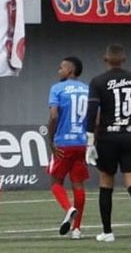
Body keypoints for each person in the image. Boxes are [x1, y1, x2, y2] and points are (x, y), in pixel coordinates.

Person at [85, 44, 131, 243]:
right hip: (130, 134)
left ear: (105, 59)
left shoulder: (97, 81)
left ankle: (107, 232)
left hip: (108, 136)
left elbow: (91, 113)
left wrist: (89, 141)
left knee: (106, 181)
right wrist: (130, 122)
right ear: (124, 59)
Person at [47, 56, 89, 240]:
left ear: (70, 70)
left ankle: (68, 208)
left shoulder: (57, 89)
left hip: (63, 143)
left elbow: (54, 116)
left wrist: (51, 140)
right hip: (81, 142)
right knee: (78, 185)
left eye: (61, 67)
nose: (59, 70)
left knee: (55, 182)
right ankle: (77, 229)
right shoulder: (87, 89)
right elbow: (94, 118)